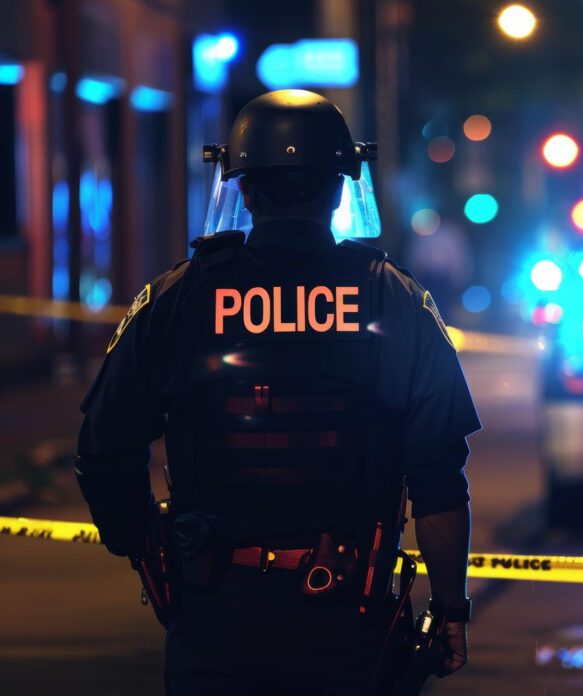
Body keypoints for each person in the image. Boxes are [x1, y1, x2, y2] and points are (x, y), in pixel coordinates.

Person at [75, 89, 479, 695]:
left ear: (240, 187)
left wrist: (154, 561)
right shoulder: (393, 299)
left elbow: (103, 451)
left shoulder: (177, 299)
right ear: (343, 187)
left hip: (214, 622)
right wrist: (450, 610)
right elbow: (440, 477)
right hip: (349, 626)